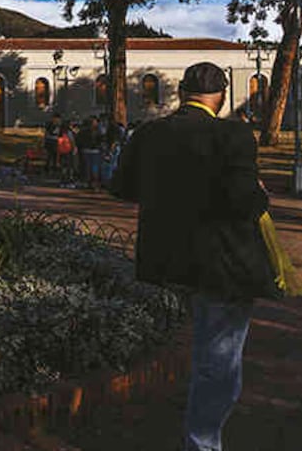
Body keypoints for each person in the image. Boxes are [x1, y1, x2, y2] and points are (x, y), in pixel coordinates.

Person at [110, 62, 276, 451]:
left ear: (183, 92)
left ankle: (198, 432)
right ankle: (202, 442)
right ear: (221, 97)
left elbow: (122, 188)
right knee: (218, 362)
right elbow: (245, 204)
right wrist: (261, 192)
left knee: (205, 350)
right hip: (222, 264)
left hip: (167, 260)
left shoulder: (148, 133)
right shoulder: (233, 134)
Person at [77, 116, 103, 190]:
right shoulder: (98, 131)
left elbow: (79, 141)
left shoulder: (83, 131)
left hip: (89, 151)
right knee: (93, 167)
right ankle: (92, 181)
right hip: (93, 151)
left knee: (89, 167)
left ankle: (90, 182)